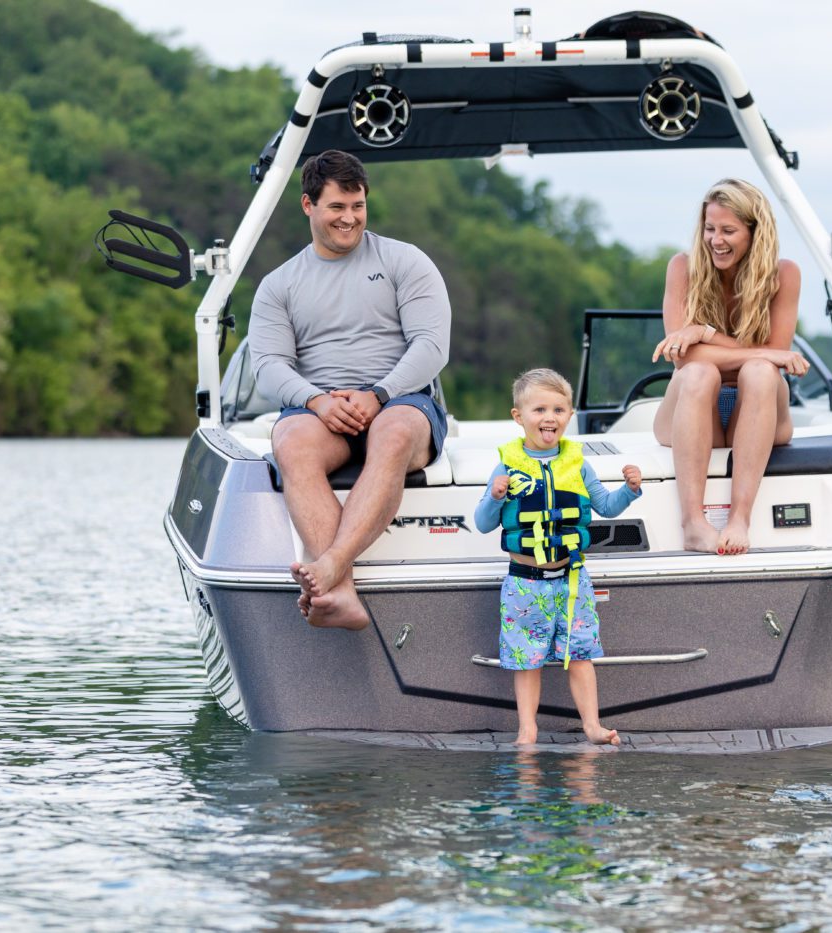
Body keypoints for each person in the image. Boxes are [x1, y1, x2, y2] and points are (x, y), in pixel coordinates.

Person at [250, 149, 451, 631]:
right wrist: (316, 401)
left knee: (397, 429)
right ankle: (340, 596)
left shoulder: (405, 261)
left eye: (358, 206)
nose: (350, 218)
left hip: (401, 399)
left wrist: (379, 394)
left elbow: (432, 345)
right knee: (291, 441)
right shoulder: (279, 285)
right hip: (323, 408)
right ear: (307, 206)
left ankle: (332, 568)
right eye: (337, 207)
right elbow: (268, 367)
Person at [473, 369, 641, 746]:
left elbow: (606, 506)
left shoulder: (579, 464)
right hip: (524, 582)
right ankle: (527, 729)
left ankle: (592, 725)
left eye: (559, 409)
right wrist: (495, 497)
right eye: (539, 409)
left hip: (572, 581)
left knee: (580, 654)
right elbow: (483, 523)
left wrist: (629, 490)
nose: (549, 417)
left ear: (569, 415)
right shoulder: (505, 467)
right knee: (526, 659)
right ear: (519, 416)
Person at [651, 178, 809, 556]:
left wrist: (704, 334)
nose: (715, 240)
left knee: (759, 373)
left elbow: (774, 360)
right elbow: (682, 355)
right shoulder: (683, 267)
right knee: (700, 372)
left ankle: (740, 517)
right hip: (693, 405)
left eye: (728, 231)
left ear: (754, 232)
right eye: (709, 229)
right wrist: (763, 353)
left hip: (756, 410)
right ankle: (693, 523)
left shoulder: (783, 274)